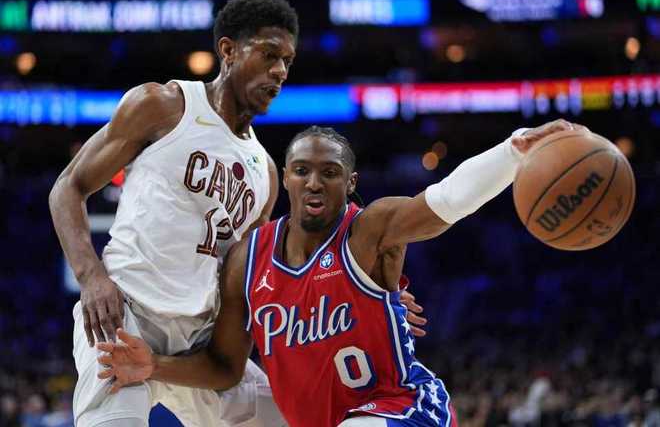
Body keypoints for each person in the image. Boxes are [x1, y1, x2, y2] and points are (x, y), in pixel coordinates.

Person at [95, 120, 579, 426]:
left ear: (350, 183)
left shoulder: (370, 231)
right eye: (302, 170)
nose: (314, 182)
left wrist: (514, 152)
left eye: (329, 173)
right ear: (285, 177)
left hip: (404, 410)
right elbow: (224, 366)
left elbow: (446, 201)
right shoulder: (247, 257)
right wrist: (154, 366)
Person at [48, 0, 297, 427]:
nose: (280, 71)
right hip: (122, 315)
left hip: (198, 341)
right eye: (269, 54)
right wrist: (91, 277)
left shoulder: (267, 174)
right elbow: (68, 187)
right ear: (228, 51)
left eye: (287, 61)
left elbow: (245, 279)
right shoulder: (164, 105)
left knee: (290, 415)